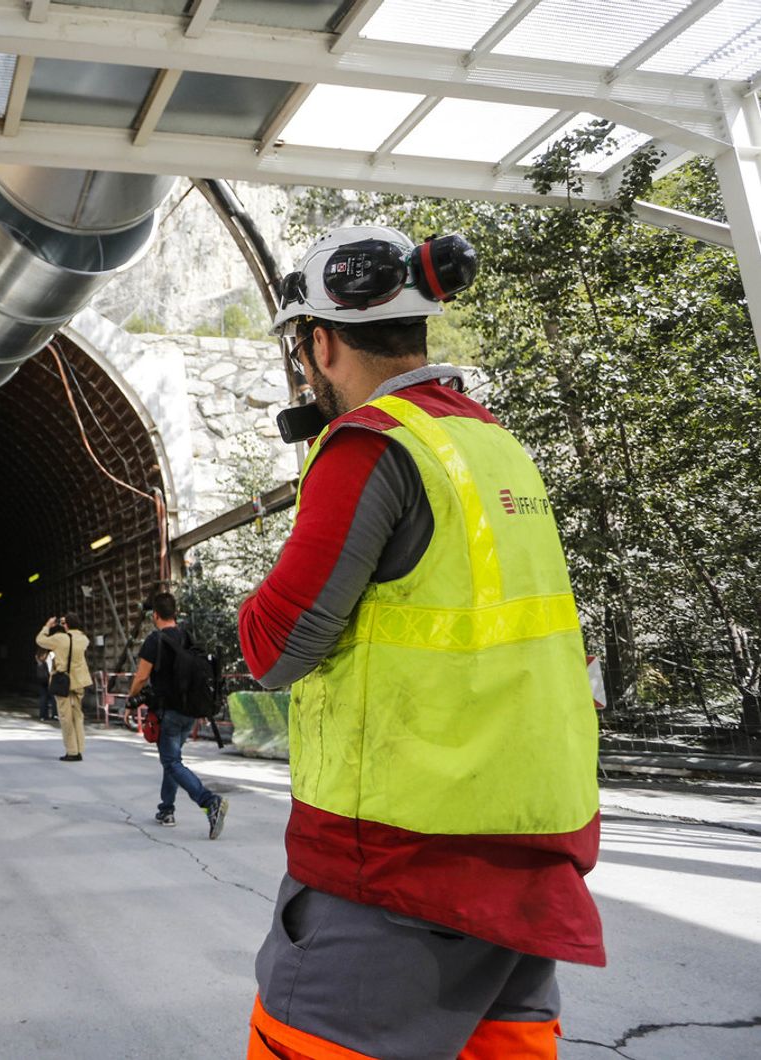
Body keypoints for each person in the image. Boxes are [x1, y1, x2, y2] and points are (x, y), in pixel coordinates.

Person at [236, 225, 602, 1059]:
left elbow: (276, 646)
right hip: (526, 858)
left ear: (320, 346)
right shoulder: (494, 445)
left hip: (397, 870)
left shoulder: (370, 447)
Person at [125, 591, 228, 839]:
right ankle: (166, 810)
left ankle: (209, 801)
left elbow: (141, 676)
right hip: (188, 711)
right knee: (172, 760)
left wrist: (131, 702)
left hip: (168, 712)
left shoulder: (154, 640)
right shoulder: (187, 636)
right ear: (175, 614)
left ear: (155, 615)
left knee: (171, 762)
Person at [35, 614, 90, 761]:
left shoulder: (60, 638)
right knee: (78, 716)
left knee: (66, 717)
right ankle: (79, 749)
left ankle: (72, 751)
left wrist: (48, 625)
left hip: (63, 681)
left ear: (66, 624)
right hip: (79, 681)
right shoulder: (84, 639)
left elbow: (40, 640)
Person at [34, 649, 56, 721]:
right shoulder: (51, 655)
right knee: (53, 697)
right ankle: (54, 714)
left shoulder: (38, 655)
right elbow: (51, 668)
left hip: (41, 678)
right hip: (49, 678)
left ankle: (43, 715)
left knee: (43, 697)